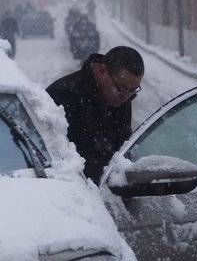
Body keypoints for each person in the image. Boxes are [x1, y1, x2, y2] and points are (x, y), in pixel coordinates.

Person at [46, 46, 144, 184]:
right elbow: (51, 157)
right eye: (122, 88)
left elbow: (123, 149)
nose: (126, 97)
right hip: (71, 190)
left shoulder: (121, 97)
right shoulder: (63, 96)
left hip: (105, 191)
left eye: (133, 91)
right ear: (101, 71)